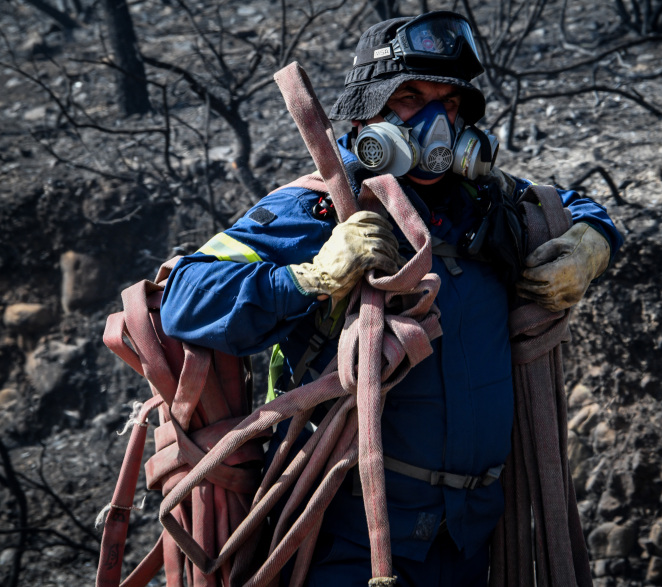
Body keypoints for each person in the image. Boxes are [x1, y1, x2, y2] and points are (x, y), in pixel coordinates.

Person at [160, 10, 623, 587]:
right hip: (350, 537)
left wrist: (591, 243)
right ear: (367, 113)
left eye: (449, 104)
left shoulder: (485, 204)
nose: (434, 121)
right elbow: (184, 297)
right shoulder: (321, 209)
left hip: (473, 535)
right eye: (409, 98)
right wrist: (310, 276)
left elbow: (572, 208)